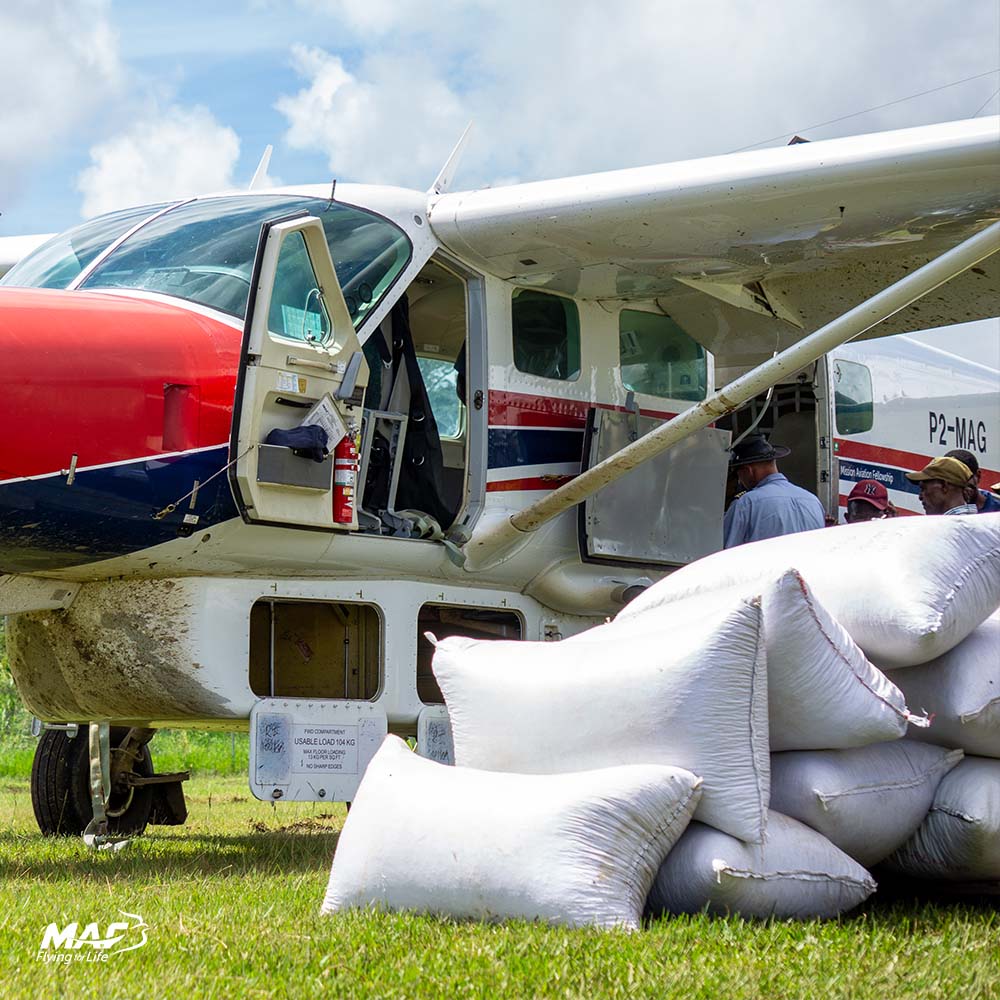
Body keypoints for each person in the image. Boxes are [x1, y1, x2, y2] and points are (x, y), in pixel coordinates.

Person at [723, 432, 826, 547]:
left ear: (748, 471)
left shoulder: (746, 504)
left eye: (738, 475)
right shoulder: (813, 501)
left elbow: (724, 552)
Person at [905, 456, 978, 515]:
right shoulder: (973, 523)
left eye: (924, 489)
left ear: (944, 486)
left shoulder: (954, 527)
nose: (920, 497)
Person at [944, 449, 1000, 514]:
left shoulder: (997, 511)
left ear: (978, 476)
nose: (959, 489)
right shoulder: (937, 510)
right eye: (951, 482)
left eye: (963, 479)